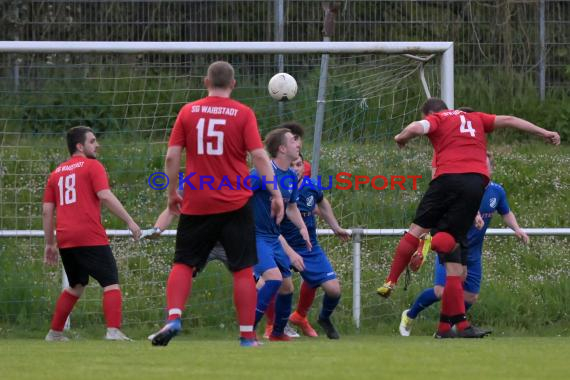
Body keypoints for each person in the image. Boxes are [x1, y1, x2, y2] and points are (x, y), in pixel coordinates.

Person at [376, 98, 560, 338]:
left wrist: (401, 138)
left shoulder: (439, 120)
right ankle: (451, 326)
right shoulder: (477, 119)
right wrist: (544, 132)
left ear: (432, 112)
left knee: (421, 235)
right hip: (474, 184)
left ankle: (393, 279)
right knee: (453, 264)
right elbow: (510, 120)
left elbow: (414, 128)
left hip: (446, 184)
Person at [149, 61, 284, 347]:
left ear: (205, 81)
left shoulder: (188, 112)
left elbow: (172, 157)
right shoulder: (243, 113)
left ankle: (173, 317)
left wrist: (172, 192)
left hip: (197, 201)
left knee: (184, 263)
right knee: (243, 269)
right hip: (235, 203)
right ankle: (247, 336)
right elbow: (260, 157)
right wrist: (276, 194)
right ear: (233, 84)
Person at [399, 152, 529, 336]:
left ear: (491, 169)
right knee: (441, 291)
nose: (481, 170)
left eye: (485, 166)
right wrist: (472, 214)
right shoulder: (461, 188)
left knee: (470, 296)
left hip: (474, 252)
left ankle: (448, 327)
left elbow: (506, 212)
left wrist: (517, 229)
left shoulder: (497, 191)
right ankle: (410, 315)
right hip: (452, 244)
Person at [43, 126, 142, 341]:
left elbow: (47, 210)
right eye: (93, 141)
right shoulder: (92, 166)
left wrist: (49, 243)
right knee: (110, 281)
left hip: (66, 238)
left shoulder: (56, 173)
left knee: (76, 285)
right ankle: (113, 331)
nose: (97, 145)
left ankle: (54, 333)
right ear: (80, 146)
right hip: (88, 234)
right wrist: (130, 221)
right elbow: (105, 196)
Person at [251, 127, 311, 341]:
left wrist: (302, 227)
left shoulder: (290, 177)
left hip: (273, 236)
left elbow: (292, 207)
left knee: (287, 287)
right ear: (282, 148)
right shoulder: (262, 173)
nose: (298, 144)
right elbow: (238, 195)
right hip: (255, 235)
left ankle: (277, 333)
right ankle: (248, 330)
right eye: (293, 141)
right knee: (274, 279)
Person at [281, 154, 350, 339]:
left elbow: (322, 203)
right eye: (291, 165)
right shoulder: (278, 186)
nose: (295, 168)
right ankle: (275, 325)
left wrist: (336, 227)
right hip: (283, 246)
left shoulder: (312, 186)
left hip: (309, 246)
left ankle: (324, 318)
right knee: (276, 284)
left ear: (304, 167)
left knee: (334, 290)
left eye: (298, 164)